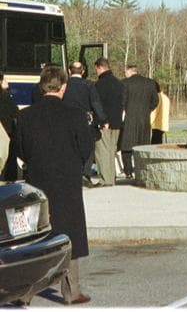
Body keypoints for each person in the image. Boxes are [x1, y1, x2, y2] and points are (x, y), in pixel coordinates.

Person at [15, 65, 94, 305]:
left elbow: (20, 150)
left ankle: (24, 293)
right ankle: (72, 291)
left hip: (38, 182)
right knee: (69, 235)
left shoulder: (26, 116)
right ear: (64, 87)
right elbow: (86, 148)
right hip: (67, 181)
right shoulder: (76, 115)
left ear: (41, 86)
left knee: (35, 238)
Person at [62, 61, 107, 180]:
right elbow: (96, 103)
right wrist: (103, 119)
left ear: (69, 71)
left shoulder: (63, 85)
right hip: (85, 120)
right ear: (83, 71)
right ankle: (85, 173)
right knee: (88, 146)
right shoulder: (89, 85)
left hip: (66, 119)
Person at [120, 64, 159, 179]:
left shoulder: (125, 83)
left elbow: (122, 101)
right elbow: (155, 101)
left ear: (129, 71)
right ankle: (142, 169)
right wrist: (147, 110)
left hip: (129, 119)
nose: (124, 74)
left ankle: (128, 171)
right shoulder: (150, 83)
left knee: (126, 146)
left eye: (125, 72)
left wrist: (125, 111)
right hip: (144, 119)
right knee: (143, 145)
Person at [93, 57, 124, 187]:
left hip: (104, 122)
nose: (96, 72)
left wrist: (101, 120)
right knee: (111, 150)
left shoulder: (99, 84)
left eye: (96, 69)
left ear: (100, 67)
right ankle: (111, 178)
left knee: (102, 151)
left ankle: (105, 179)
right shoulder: (119, 83)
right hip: (117, 121)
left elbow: (97, 105)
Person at [1, 70, 21, 181]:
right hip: (6, 134)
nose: (7, 81)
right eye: (4, 79)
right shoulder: (5, 97)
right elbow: (16, 113)